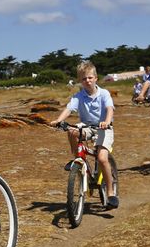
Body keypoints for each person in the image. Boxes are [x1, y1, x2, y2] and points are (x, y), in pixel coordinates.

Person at [50, 61, 118, 209]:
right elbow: (69, 109)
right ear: (79, 81)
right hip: (87, 126)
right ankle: (78, 160)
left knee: (101, 158)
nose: (87, 81)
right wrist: (59, 120)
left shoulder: (104, 94)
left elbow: (109, 109)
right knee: (72, 130)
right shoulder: (79, 96)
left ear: (96, 78)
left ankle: (111, 193)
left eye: (90, 78)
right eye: (83, 79)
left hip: (104, 128)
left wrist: (106, 121)